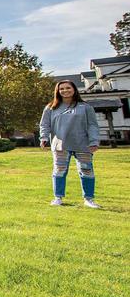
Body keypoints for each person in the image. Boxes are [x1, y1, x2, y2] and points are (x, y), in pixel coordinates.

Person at [39, 80, 100, 208]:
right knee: (59, 170)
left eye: (68, 88)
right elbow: (44, 124)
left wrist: (94, 141)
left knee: (87, 170)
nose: (65, 91)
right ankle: (58, 198)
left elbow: (93, 125)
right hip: (60, 145)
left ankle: (89, 199)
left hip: (83, 144)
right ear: (57, 91)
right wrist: (43, 137)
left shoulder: (85, 107)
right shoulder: (51, 108)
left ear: (74, 90)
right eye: (61, 89)